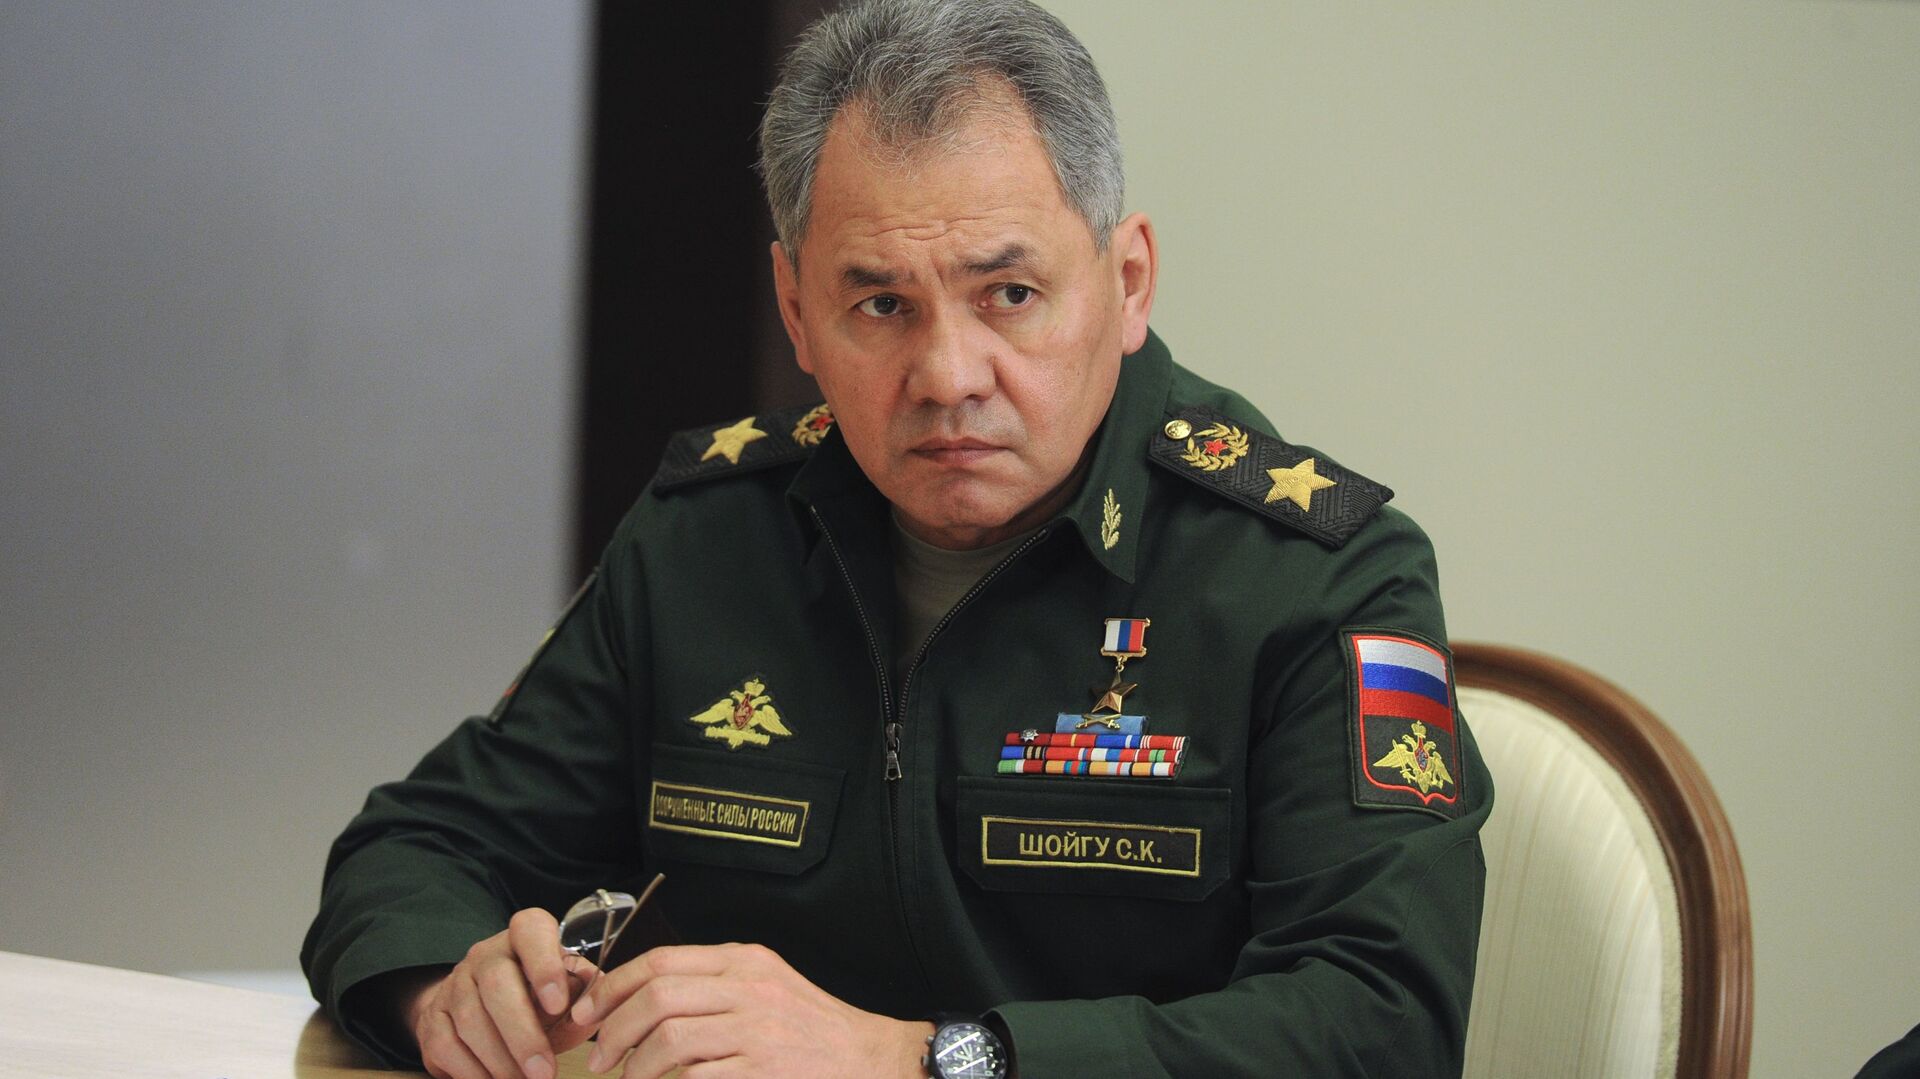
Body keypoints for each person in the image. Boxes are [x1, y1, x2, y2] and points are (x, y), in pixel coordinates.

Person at [301, 1, 1493, 1076]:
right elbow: (422, 845)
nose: (948, 374)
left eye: (1009, 295)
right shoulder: (708, 539)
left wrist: (923, 1057)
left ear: (1128, 282)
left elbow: (1380, 1019)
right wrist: (446, 989)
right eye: (881, 304)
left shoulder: (1315, 576)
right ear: (796, 310)